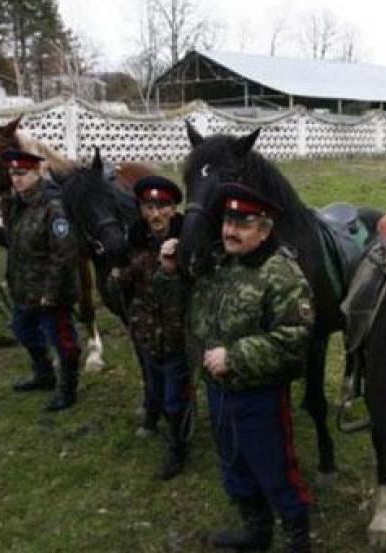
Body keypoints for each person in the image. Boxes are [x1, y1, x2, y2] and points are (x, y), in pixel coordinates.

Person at [161, 182, 315, 552]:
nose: (230, 231)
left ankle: (298, 540)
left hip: (260, 397)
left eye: (243, 224)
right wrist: (169, 272)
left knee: (275, 470)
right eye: (228, 222)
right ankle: (256, 532)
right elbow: (184, 310)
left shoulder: (282, 274)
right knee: (233, 466)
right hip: (218, 390)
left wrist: (235, 357)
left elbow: (296, 339)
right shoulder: (218, 263)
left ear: (264, 231)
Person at [0, 149, 82, 412]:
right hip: (24, 288)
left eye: (22, 173)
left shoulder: (53, 206)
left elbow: (64, 254)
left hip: (50, 292)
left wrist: (51, 293)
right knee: (23, 330)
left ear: (36, 173)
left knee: (63, 341)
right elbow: (17, 240)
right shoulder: (17, 204)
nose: (16, 179)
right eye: (12, 174)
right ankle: (44, 374)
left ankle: (68, 390)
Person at [108, 175, 191, 480]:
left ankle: (179, 448)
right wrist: (117, 276)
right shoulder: (135, 241)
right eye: (148, 207)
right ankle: (174, 427)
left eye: (162, 206)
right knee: (156, 389)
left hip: (177, 336)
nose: (155, 214)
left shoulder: (189, 244)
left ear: (173, 209)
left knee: (174, 397)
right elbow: (129, 282)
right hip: (146, 334)